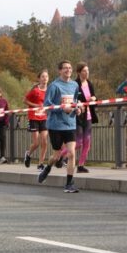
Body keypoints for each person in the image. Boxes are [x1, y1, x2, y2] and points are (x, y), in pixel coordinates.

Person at [38, 60, 82, 193]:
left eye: (70, 68)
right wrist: (63, 109)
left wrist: (76, 109)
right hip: (56, 125)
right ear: (59, 71)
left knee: (72, 153)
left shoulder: (75, 84)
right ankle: (47, 168)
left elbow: (74, 102)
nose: (68, 70)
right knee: (56, 156)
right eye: (65, 68)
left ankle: (69, 183)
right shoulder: (54, 86)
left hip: (70, 124)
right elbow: (47, 105)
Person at [64, 62, 98, 173]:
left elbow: (94, 99)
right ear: (79, 72)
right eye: (84, 71)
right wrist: (79, 103)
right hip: (77, 116)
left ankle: (81, 165)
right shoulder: (74, 84)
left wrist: (94, 99)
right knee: (78, 142)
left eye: (88, 71)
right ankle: (60, 155)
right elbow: (71, 100)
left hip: (88, 116)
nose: (87, 73)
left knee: (87, 142)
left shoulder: (89, 84)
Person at [24, 70, 50, 171]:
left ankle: (40, 164)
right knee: (36, 143)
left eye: (46, 77)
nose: (45, 79)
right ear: (39, 79)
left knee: (44, 141)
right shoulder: (35, 90)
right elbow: (25, 100)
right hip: (34, 117)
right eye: (43, 77)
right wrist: (36, 105)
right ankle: (28, 154)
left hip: (44, 118)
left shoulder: (49, 91)